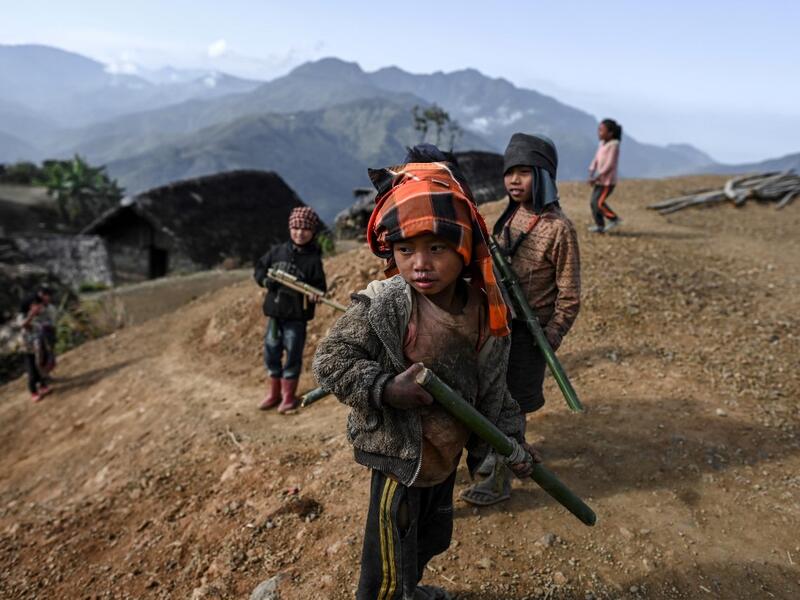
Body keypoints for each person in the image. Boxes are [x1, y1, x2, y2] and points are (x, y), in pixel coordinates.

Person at [313, 147, 538, 600]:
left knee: (431, 540)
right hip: (400, 461)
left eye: (436, 248)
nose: (420, 263)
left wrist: (511, 443)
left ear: (463, 249)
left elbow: (495, 393)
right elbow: (331, 360)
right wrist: (385, 387)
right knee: (387, 566)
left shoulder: (486, 313)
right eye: (405, 250)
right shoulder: (387, 304)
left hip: (444, 460)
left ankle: (411, 590)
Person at [460, 133, 581, 506]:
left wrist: (551, 336)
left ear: (543, 176)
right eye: (509, 172)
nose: (513, 180)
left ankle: (496, 478)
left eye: (524, 172)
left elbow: (570, 294)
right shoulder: (508, 217)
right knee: (490, 398)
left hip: (530, 335)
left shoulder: (559, 229)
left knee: (510, 405)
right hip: (497, 326)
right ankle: (498, 458)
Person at [254, 206, 326, 413]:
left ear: (312, 232)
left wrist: (315, 295)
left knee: (293, 354)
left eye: (305, 229)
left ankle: (288, 396)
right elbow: (259, 269)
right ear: (290, 228)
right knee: (271, 352)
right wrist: (265, 281)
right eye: (295, 227)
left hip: (296, 318)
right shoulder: (277, 252)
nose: (299, 233)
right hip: (275, 317)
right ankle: (273, 394)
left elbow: (320, 288)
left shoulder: (313, 261)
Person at [17, 289, 54, 402]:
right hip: (28, 349)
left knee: (40, 367)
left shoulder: (40, 316)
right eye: (35, 304)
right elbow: (24, 325)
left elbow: (46, 325)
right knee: (32, 371)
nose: (38, 306)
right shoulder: (22, 316)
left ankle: (43, 385)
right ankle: (33, 391)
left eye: (38, 304)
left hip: (38, 346)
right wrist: (31, 316)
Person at [588, 118, 623, 233]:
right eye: (599, 130)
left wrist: (598, 175)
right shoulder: (602, 144)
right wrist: (592, 170)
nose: (599, 133)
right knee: (593, 203)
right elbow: (596, 159)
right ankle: (600, 226)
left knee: (599, 203)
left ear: (610, 133)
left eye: (602, 130)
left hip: (607, 181)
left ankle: (614, 218)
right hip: (599, 180)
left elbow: (609, 164)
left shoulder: (614, 145)